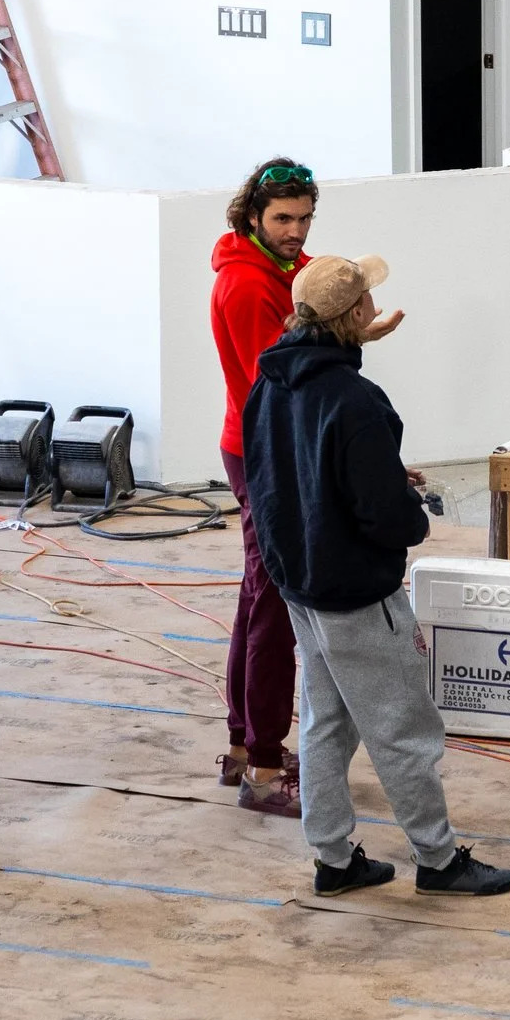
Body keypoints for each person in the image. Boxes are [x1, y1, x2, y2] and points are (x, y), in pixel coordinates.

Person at [240, 254, 510, 898]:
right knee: (404, 730)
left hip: (300, 584)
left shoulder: (270, 381)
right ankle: (438, 861)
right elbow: (384, 516)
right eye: (366, 296)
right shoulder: (357, 401)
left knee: (325, 721)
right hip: (357, 592)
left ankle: (333, 859)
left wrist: (384, 475)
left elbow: (280, 476)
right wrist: (407, 507)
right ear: (357, 312)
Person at [208, 159, 403, 815]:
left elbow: (311, 338)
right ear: (253, 217)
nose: (296, 231)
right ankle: (264, 769)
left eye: (305, 218)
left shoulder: (288, 270)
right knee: (274, 609)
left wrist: (354, 330)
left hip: (268, 446)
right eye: (283, 219)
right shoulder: (245, 285)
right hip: (266, 454)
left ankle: (244, 747)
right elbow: (284, 388)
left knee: (257, 599)